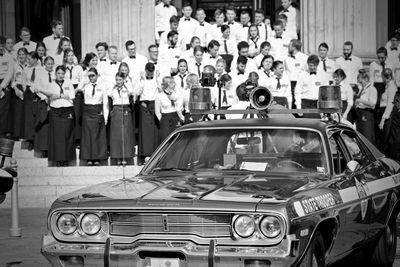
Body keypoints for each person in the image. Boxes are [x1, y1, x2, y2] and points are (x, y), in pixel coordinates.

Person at [38, 65, 75, 166]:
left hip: (67, 110)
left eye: (62, 73)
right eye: (59, 73)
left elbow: (72, 95)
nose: (60, 75)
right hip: (55, 111)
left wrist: (59, 96)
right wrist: (58, 96)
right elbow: (48, 95)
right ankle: (58, 160)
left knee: (67, 135)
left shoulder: (69, 83)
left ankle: (66, 159)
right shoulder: (51, 84)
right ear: (55, 74)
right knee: (57, 136)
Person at [80, 68, 109, 166]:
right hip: (88, 111)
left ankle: (97, 158)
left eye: (93, 75)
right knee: (88, 136)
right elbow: (79, 87)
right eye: (89, 76)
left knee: (97, 135)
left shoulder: (102, 86)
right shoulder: (85, 86)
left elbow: (105, 102)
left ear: (97, 75)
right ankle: (89, 158)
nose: (91, 78)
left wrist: (105, 115)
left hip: (97, 110)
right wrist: (85, 77)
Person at [135, 63, 161, 164]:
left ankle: (154, 153)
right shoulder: (141, 79)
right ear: (145, 70)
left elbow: (160, 89)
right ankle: (145, 155)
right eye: (148, 72)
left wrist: (158, 79)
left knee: (154, 130)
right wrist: (141, 80)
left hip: (154, 104)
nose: (150, 74)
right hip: (144, 105)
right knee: (146, 131)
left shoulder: (156, 78)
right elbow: (136, 92)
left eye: (152, 72)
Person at [108, 71, 135, 165]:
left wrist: (126, 84)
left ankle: (126, 156)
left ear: (124, 79)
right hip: (116, 110)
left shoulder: (127, 87)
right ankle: (117, 157)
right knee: (117, 135)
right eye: (117, 79)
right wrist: (113, 86)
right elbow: (109, 94)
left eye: (120, 79)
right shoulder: (113, 88)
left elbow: (131, 92)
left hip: (125, 109)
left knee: (126, 134)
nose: (118, 81)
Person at [32, 56, 55, 157]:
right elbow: (36, 88)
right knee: (44, 125)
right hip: (43, 101)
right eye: (48, 64)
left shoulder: (55, 74)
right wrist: (44, 97)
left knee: (52, 125)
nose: (50, 65)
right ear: (44, 64)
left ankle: (52, 148)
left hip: (54, 102)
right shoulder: (40, 75)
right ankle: (43, 149)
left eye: (51, 64)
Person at [76, 52, 98, 147]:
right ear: (88, 62)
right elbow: (80, 87)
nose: (95, 62)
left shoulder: (98, 72)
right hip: (88, 102)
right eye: (93, 60)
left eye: (96, 60)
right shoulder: (85, 73)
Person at [22, 51, 42, 150]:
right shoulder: (26, 69)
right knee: (29, 117)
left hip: (37, 93)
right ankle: (30, 139)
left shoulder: (41, 69)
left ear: (35, 59)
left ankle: (36, 138)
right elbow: (23, 81)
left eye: (29, 59)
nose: (28, 60)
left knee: (36, 115)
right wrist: (26, 89)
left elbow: (41, 81)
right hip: (28, 93)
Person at [155, 76, 184, 143]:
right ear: (168, 84)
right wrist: (162, 120)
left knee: (177, 137)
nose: (174, 84)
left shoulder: (177, 94)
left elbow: (179, 106)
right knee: (165, 137)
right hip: (165, 118)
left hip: (175, 116)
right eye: (172, 82)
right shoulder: (160, 96)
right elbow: (157, 112)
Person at [355, 69, 377, 144]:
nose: (361, 84)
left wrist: (360, 101)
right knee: (361, 136)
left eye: (361, 82)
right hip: (360, 114)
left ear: (366, 79)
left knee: (367, 136)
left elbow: (372, 104)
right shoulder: (362, 89)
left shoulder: (372, 89)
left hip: (367, 114)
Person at [377, 68, 397, 150]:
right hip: (383, 111)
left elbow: (390, 104)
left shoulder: (392, 87)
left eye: (383, 77)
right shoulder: (387, 86)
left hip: (387, 114)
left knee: (385, 137)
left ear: (386, 77)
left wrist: (383, 119)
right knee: (382, 137)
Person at [284, 39, 308, 108]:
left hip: (299, 83)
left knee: (298, 102)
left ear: (294, 47)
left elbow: (307, 71)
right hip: (289, 83)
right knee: (290, 103)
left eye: (289, 46)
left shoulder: (305, 58)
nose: (288, 47)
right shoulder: (286, 58)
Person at [11, 48, 28, 140]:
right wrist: (16, 89)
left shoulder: (29, 65)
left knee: (26, 113)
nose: (21, 56)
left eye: (23, 54)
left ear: (26, 55)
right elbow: (12, 80)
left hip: (27, 89)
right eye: (19, 54)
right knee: (18, 113)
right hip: (18, 89)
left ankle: (25, 135)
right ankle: (17, 135)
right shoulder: (15, 65)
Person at [369, 47, 393, 112]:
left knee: (386, 104)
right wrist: (371, 89)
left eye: (382, 57)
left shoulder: (389, 65)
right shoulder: (373, 65)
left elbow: (391, 78)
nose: (380, 59)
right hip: (377, 86)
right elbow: (371, 78)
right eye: (378, 57)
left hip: (386, 86)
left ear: (386, 56)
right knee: (377, 104)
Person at [0, 36, 14, 138]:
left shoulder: (9, 57)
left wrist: (1, 86)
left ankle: (2, 133)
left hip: (4, 84)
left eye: (2, 45)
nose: (0, 47)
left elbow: (10, 73)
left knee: (4, 110)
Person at [383, 92, 400, 161]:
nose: (393, 105)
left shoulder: (395, 113)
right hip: (393, 144)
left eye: (395, 103)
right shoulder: (394, 112)